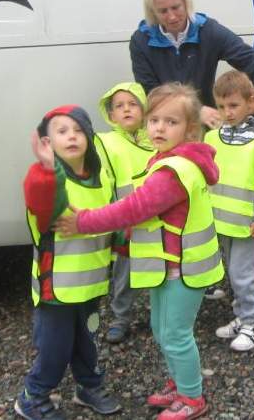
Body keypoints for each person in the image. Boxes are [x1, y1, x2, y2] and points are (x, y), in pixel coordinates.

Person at [54, 83, 224, 420]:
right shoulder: (166, 159)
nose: (159, 128)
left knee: (175, 336)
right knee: (162, 330)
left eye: (171, 122)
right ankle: (180, 384)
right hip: (169, 266)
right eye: (154, 120)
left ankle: (192, 398)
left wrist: (84, 221)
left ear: (190, 128)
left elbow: (134, 208)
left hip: (184, 270)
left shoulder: (173, 171)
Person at [17, 105, 121, 420]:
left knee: (88, 341)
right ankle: (33, 396)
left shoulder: (101, 177)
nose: (72, 136)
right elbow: (43, 201)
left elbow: (112, 218)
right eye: (62, 131)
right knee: (54, 348)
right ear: (47, 142)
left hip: (92, 286)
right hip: (57, 289)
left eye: (78, 130)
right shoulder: (47, 181)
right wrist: (48, 169)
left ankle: (88, 386)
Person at [130, 0, 254, 129]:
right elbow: (151, 92)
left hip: (207, 126)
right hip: (165, 126)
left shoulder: (208, 31)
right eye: (163, 11)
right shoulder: (140, 41)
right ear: (152, 12)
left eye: (176, 7)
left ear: (186, 2)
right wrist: (195, 110)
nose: (172, 17)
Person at [205, 71, 254, 350]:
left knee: (243, 275)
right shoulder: (212, 138)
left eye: (234, 105)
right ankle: (243, 316)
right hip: (221, 221)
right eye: (222, 106)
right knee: (234, 274)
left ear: (251, 101)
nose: (228, 112)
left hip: (248, 223)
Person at [96, 83, 155, 345]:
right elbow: (103, 179)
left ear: (144, 110)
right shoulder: (107, 143)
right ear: (111, 115)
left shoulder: (157, 139)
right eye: (119, 106)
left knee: (160, 271)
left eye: (133, 104)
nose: (126, 109)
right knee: (124, 273)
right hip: (126, 222)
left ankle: (160, 316)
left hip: (157, 221)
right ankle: (121, 317)